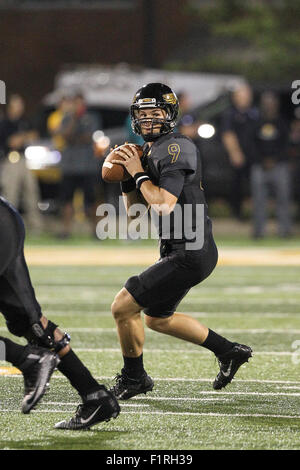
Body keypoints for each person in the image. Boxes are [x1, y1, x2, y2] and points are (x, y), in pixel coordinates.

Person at [108, 83, 252, 399]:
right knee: (158, 319)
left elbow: (162, 204)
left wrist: (138, 172)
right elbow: (134, 216)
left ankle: (134, 379)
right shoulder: (149, 151)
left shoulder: (176, 148)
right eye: (142, 114)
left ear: (170, 114)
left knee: (122, 307)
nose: (148, 120)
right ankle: (229, 352)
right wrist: (126, 177)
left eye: (155, 113)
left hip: (190, 250)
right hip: (179, 248)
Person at [0, 195, 120, 429]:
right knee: (30, 323)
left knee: (30, 323)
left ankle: (26, 359)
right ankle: (94, 395)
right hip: (5, 220)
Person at [57, 93, 99, 238]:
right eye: (75, 103)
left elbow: (89, 137)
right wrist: (73, 120)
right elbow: (64, 135)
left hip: (87, 166)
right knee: (67, 200)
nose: (77, 107)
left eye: (80, 104)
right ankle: (65, 231)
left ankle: (95, 231)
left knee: (91, 201)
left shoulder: (92, 118)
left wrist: (75, 138)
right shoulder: (67, 118)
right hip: (70, 167)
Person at [0, 94, 43, 233]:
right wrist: (24, 136)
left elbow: (35, 135)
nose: (19, 108)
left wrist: (22, 137)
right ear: (10, 107)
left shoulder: (24, 121)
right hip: (10, 161)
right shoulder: (5, 123)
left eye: (20, 105)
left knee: (31, 192)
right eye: (16, 105)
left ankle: (36, 227)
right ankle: (8, 228)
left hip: (24, 160)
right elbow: (12, 142)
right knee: (10, 195)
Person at [251, 91, 291, 238]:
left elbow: (286, 145)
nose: (269, 106)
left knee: (283, 199)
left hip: (279, 166)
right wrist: (262, 160)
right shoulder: (256, 123)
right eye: (266, 103)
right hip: (259, 166)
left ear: (276, 105)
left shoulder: (282, 123)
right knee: (259, 200)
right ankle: (259, 232)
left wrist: (275, 159)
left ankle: (285, 230)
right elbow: (251, 144)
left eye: (271, 103)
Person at [221, 84, 259, 220]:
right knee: (237, 185)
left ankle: (256, 214)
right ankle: (237, 214)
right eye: (242, 95)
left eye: (247, 95)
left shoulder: (255, 113)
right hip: (238, 155)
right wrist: (235, 152)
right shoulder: (230, 113)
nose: (245, 98)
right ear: (235, 98)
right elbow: (227, 134)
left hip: (254, 156)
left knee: (255, 185)